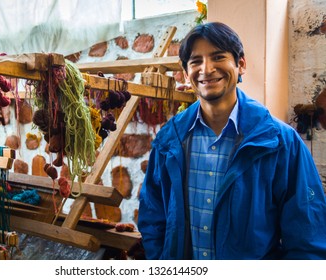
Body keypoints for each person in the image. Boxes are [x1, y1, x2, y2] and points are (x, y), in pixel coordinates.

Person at [137, 21, 326, 260]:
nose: (206, 69)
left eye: (218, 57)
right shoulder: (169, 140)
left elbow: (307, 237)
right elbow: (153, 217)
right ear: (185, 73)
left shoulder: (280, 143)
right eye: (196, 61)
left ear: (241, 65)